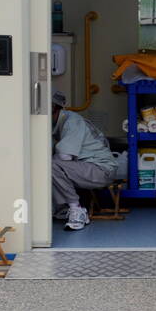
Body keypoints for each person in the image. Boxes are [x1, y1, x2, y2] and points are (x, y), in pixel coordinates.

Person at [51, 92, 115, 231]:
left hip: (101, 169)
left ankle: (77, 210)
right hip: (89, 167)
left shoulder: (72, 121)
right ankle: (65, 207)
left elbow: (65, 156)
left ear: (54, 108)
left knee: (52, 165)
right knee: (51, 164)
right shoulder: (58, 124)